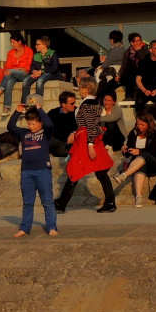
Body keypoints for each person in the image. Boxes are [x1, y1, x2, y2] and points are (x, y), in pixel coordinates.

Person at [54, 77, 116, 214]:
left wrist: (90, 144)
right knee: (100, 171)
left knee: (76, 170)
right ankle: (110, 202)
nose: (78, 90)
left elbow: (91, 125)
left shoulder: (89, 104)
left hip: (87, 141)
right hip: (87, 139)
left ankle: (61, 203)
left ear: (86, 89)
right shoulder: (91, 102)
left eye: (80, 87)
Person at [8, 105, 57, 238]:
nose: (31, 126)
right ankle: (25, 228)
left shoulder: (45, 133)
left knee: (47, 201)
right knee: (28, 202)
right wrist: (17, 112)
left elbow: (49, 124)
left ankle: (51, 226)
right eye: (29, 124)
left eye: (33, 124)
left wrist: (40, 109)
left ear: (40, 122)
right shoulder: (24, 133)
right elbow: (11, 127)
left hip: (43, 171)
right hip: (27, 172)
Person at [113, 113, 156, 208]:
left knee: (144, 155)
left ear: (148, 124)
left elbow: (154, 151)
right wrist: (125, 150)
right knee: (141, 165)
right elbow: (130, 153)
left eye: (142, 125)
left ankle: (124, 175)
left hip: (155, 164)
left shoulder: (155, 134)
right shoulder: (134, 133)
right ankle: (139, 197)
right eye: (137, 124)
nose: (139, 127)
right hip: (139, 164)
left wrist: (139, 151)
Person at [0, 34, 35, 108]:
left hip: (24, 74)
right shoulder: (10, 53)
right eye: (11, 42)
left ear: (19, 42)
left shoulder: (28, 51)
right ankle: (7, 107)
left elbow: (27, 67)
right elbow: (7, 67)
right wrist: (15, 69)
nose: (12, 44)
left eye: (13, 42)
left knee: (10, 72)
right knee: (9, 83)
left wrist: (14, 70)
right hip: (13, 75)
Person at [133, 39, 156, 118]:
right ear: (150, 50)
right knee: (139, 102)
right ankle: (140, 122)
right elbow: (138, 79)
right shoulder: (143, 62)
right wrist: (144, 90)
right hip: (144, 90)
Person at [21, 36, 59, 104]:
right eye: (36, 44)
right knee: (25, 81)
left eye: (38, 44)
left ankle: (38, 104)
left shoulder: (52, 53)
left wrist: (41, 72)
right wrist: (33, 71)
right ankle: (24, 104)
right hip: (38, 74)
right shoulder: (36, 55)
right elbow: (32, 66)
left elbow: (54, 68)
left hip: (51, 74)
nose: (36, 46)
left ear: (44, 45)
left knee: (40, 81)